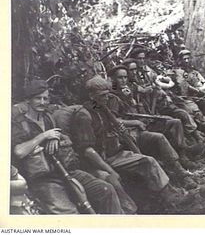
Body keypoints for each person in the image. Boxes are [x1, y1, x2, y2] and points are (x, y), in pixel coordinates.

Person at [72, 76, 195, 211]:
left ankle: (170, 197)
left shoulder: (102, 108)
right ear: (91, 96)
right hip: (103, 159)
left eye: (107, 95)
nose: (107, 98)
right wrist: (110, 170)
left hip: (115, 152)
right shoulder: (84, 115)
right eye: (102, 95)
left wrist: (133, 147)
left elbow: (118, 128)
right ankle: (164, 200)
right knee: (146, 163)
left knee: (148, 161)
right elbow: (88, 151)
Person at [11, 80, 122, 214]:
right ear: (28, 100)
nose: (42, 102)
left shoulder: (48, 118)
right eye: (37, 98)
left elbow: (64, 138)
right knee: (69, 213)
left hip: (66, 170)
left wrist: (56, 137)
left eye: (45, 98)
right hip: (44, 179)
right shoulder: (20, 123)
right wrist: (44, 136)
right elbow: (19, 151)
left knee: (105, 189)